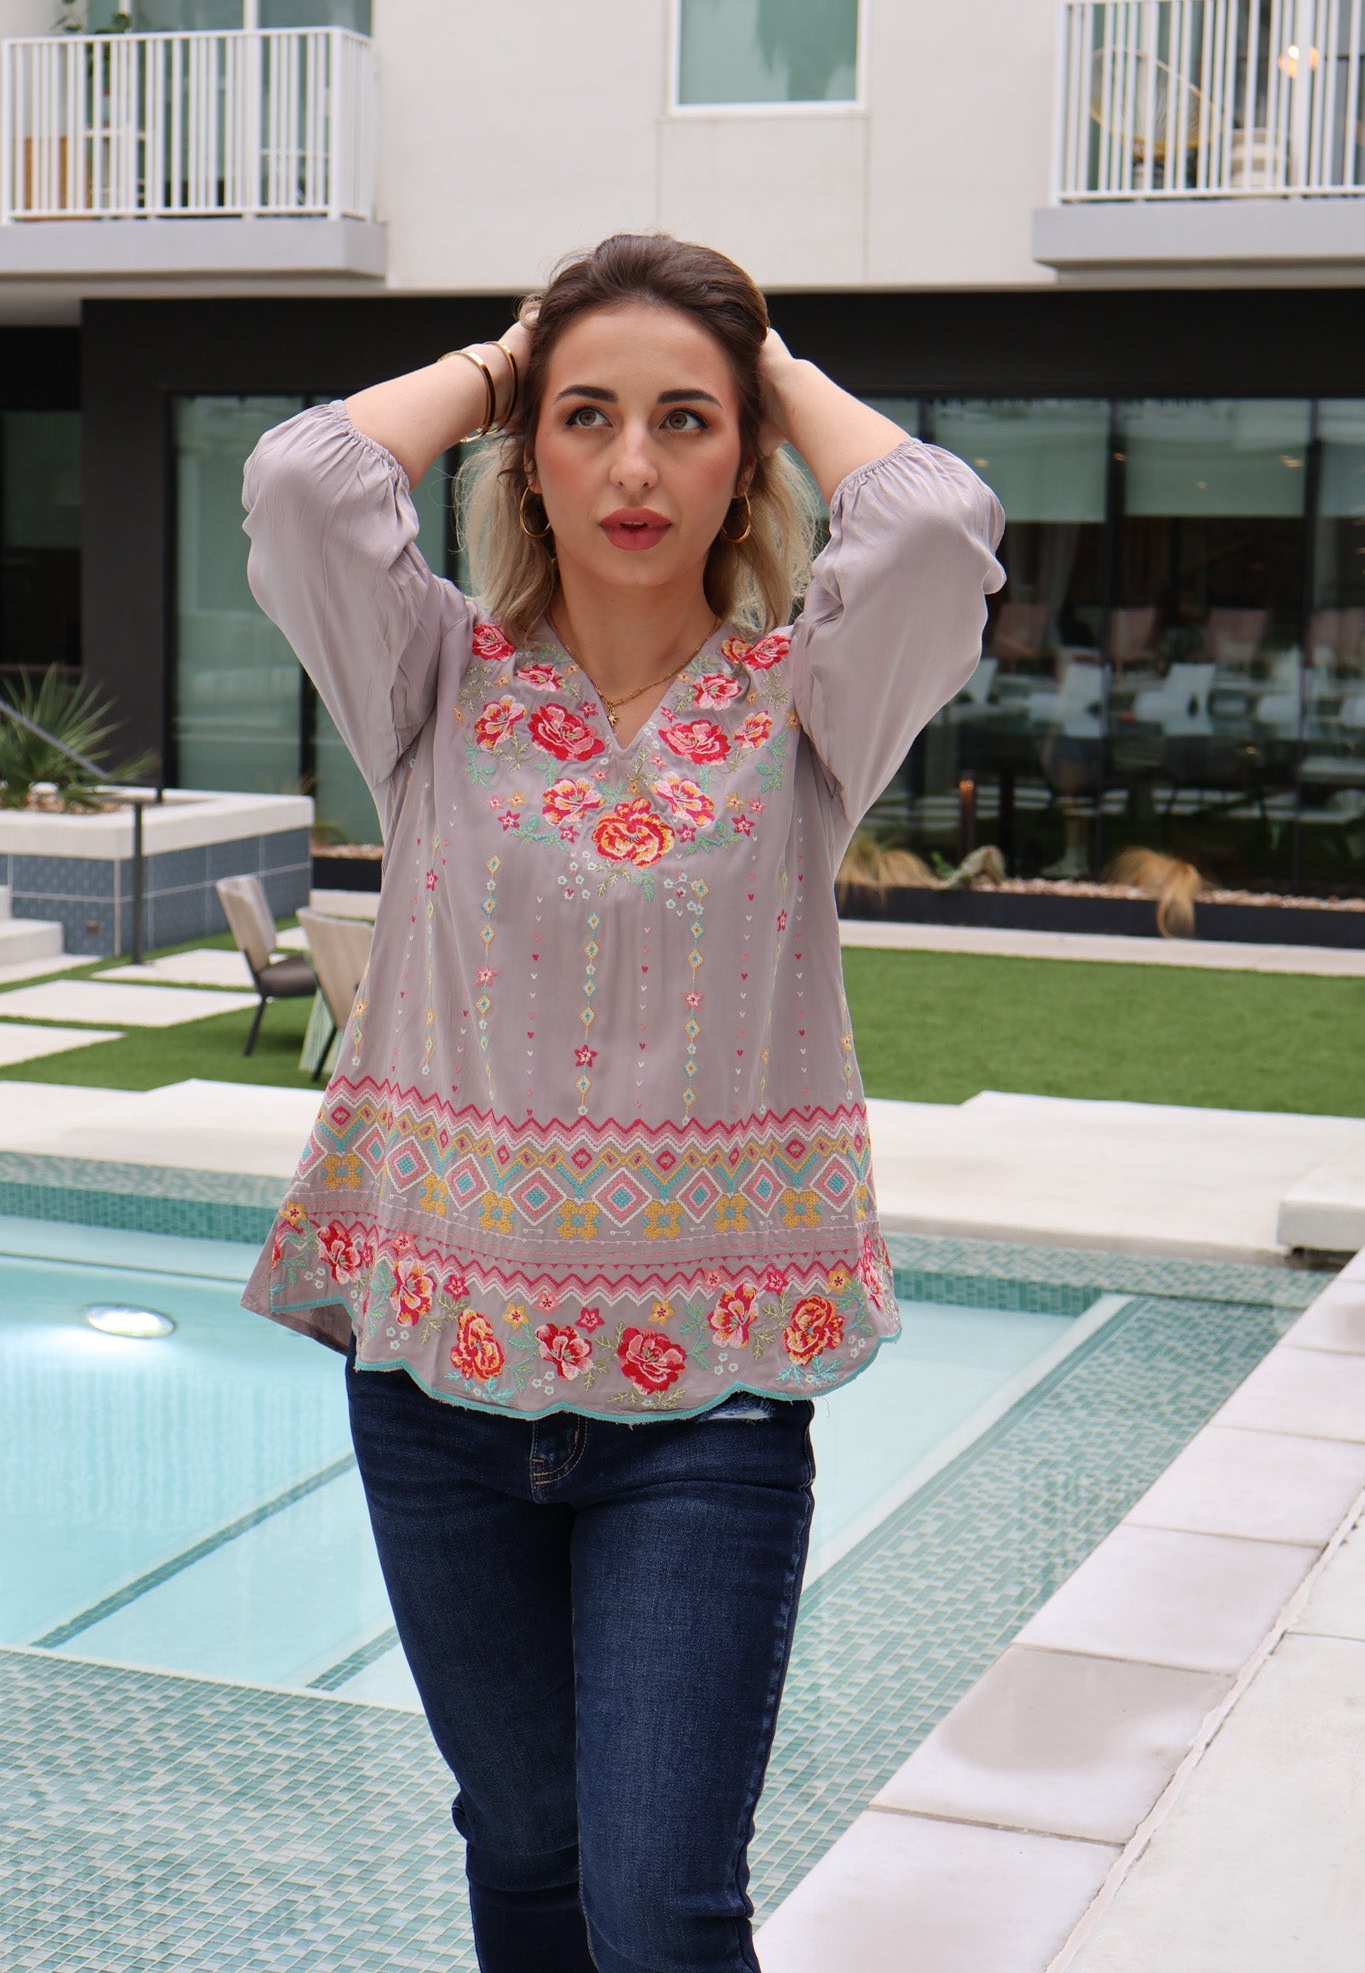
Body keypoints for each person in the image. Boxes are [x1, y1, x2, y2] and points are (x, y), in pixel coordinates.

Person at [240, 232, 1005, 1973]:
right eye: (587, 419)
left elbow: (943, 528)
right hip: (437, 1384)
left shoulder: (810, 703)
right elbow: (303, 481)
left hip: (705, 1415)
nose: (636, 466)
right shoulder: (430, 682)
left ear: (745, 457)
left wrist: (772, 357)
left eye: (686, 422)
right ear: (529, 454)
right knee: (519, 1849)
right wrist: (509, 358)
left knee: (659, 1906)